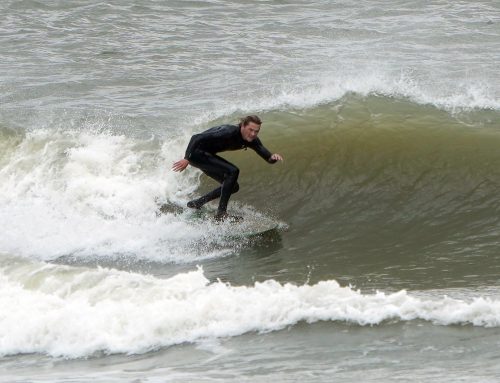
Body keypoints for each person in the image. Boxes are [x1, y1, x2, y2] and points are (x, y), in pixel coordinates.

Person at [172, 115, 283, 221]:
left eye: (256, 131)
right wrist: (187, 158)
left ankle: (197, 203)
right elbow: (196, 137)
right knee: (233, 171)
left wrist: (273, 158)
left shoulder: (252, 140)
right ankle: (221, 214)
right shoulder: (228, 132)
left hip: (205, 156)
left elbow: (267, 157)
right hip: (196, 153)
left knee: (233, 186)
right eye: (250, 130)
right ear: (243, 126)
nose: (253, 134)